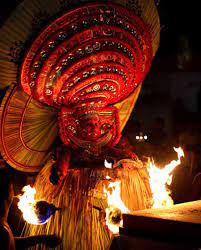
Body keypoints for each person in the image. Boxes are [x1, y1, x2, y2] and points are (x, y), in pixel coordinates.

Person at [0, 168, 61, 250]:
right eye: (11, 188)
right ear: (6, 193)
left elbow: (11, 242)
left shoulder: (3, 226)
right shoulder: (2, 230)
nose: (14, 192)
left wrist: (42, 239)